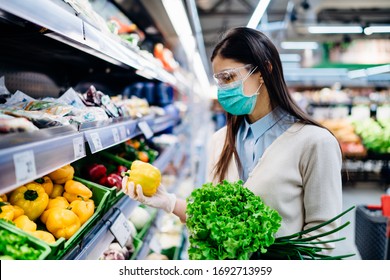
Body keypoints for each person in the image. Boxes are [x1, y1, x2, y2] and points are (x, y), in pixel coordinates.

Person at [122, 27, 342, 253]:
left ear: (263, 71)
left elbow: (322, 238)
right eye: (219, 81)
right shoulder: (220, 141)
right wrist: (168, 202)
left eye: (228, 77)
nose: (223, 90)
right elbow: (212, 221)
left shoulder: (315, 143)